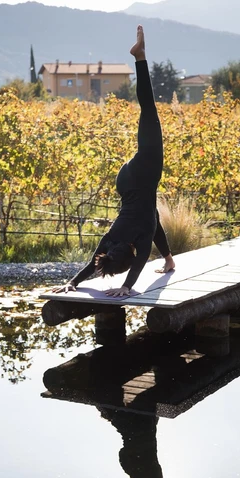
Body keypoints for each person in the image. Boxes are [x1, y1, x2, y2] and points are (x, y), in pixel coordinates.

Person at [52, 25, 175, 298]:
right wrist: (72, 282)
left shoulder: (140, 239)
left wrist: (127, 286)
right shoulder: (111, 239)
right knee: (150, 211)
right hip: (126, 181)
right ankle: (170, 260)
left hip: (143, 177)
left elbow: (140, 261)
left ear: (129, 253)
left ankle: (140, 57)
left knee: (149, 110)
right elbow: (90, 266)